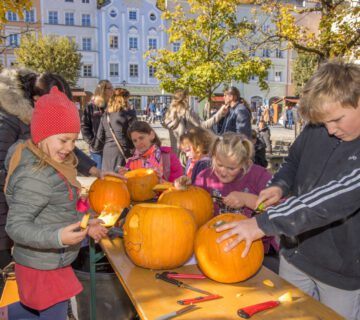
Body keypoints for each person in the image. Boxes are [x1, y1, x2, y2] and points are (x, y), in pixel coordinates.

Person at [215, 61, 360, 320]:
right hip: (295, 254)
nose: (330, 130)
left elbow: (335, 196)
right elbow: (293, 161)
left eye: (337, 120)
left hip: (341, 270)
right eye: (324, 123)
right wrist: (280, 186)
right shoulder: (319, 126)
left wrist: (263, 223)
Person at [3, 87, 107, 319]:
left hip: (49, 258)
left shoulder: (54, 165)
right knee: (53, 310)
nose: (71, 147)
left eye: (73, 140)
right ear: (42, 135)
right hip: (40, 264)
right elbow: (16, 227)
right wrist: (58, 237)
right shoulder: (35, 175)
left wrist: (86, 223)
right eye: (64, 140)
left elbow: (60, 211)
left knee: (36, 309)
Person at [192, 133, 277, 259]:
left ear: (245, 163)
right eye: (219, 164)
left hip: (256, 248)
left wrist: (247, 199)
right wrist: (183, 188)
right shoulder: (204, 177)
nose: (223, 171)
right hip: (214, 245)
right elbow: (192, 208)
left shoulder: (259, 176)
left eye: (231, 168)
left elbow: (279, 210)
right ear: (213, 157)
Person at [162, 89, 227, 154]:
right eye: (187, 97)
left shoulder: (169, 113)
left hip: (175, 154)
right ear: (185, 98)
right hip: (188, 152)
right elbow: (203, 126)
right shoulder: (187, 112)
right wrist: (220, 113)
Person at [93, 88, 137, 172]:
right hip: (124, 152)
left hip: (108, 153)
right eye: (128, 99)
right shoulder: (129, 114)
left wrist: (96, 149)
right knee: (123, 181)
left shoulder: (105, 115)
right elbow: (135, 133)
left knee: (109, 180)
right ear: (124, 99)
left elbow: (99, 137)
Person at [81, 80, 114, 169]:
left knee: (114, 175)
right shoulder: (91, 106)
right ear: (102, 90)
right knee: (101, 176)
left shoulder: (114, 106)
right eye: (109, 88)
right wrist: (92, 142)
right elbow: (85, 126)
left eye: (112, 87)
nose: (112, 90)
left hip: (112, 147)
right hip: (97, 149)